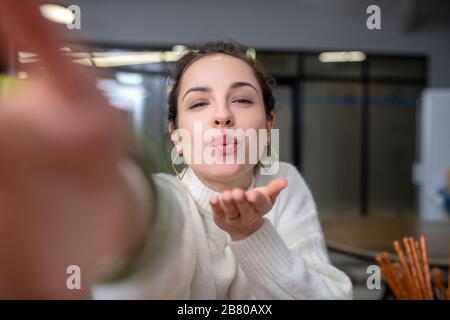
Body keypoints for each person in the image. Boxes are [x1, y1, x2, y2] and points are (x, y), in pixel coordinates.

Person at [0, 1, 352, 299]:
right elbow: (146, 212)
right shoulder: (169, 199)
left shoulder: (283, 183)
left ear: (268, 125)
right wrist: (97, 187)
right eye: (199, 104)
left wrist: (253, 233)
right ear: (177, 137)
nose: (222, 116)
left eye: (242, 99)